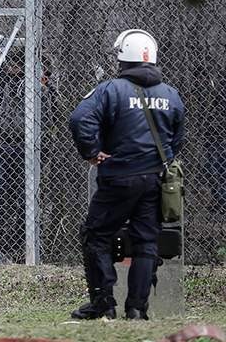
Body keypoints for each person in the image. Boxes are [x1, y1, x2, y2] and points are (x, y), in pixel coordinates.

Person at [68, 29, 185, 321]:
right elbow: (177, 138)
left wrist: (92, 152)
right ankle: (137, 309)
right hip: (154, 180)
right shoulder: (171, 95)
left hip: (118, 178)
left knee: (96, 235)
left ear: (122, 59)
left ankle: (103, 303)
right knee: (146, 241)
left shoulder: (110, 90)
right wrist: (161, 159)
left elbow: (80, 118)